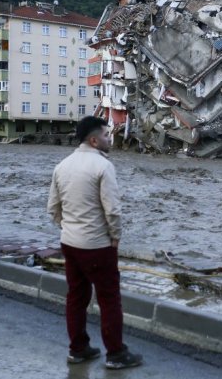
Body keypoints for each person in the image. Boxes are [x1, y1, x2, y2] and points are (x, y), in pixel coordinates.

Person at [47, 116, 142, 370]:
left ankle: (78, 349)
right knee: (109, 299)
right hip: (97, 245)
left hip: (69, 242)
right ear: (93, 139)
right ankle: (116, 354)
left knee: (76, 297)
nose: (110, 138)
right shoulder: (103, 166)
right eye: (106, 135)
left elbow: (53, 208)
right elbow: (112, 210)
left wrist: (68, 228)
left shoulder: (62, 166)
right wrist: (115, 236)